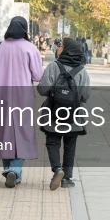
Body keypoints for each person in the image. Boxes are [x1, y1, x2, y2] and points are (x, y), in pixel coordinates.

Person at [0, 16, 44, 188]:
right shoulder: (30, 48)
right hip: (23, 96)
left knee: (5, 132)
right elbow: (38, 76)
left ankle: (8, 169)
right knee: (23, 131)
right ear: (25, 29)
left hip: (2, 95)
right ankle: (16, 170)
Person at [37, 38, 91, 190]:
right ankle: (67, 178)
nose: (57, 48)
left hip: (54, 112)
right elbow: (85, 96)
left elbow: (43, 89)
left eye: (60, 46)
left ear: (67, 49)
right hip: (74, 114)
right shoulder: (82, 71)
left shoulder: (54, 66)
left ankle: (57, 169)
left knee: (52, 142)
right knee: (70, 144)